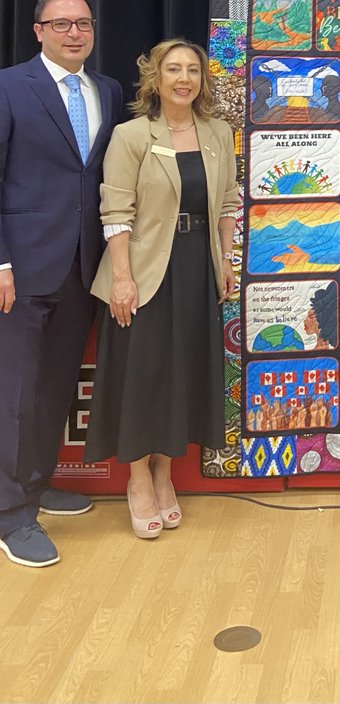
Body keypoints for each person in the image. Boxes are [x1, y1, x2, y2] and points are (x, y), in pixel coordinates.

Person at [84, 40, 239, 539]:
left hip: (197, 269)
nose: (183, 78)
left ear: (202, 80)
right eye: (173, 69)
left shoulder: (217, 133)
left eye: (192, 70)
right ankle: (137, 480)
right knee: (143, 372)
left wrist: (226, 258)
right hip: (146, 270)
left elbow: (228, 202)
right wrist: (123, 278)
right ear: (155, 78)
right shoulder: (131, 135)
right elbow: (115, 212)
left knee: (183, 371)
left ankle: (165, 476)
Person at [0, 0, 123, 567]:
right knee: (15, 393)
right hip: (20, 270)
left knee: (54, 385)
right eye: (63, 23)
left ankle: (37, 484)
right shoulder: (8, 87)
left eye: (84, 23)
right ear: (39, 30)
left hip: (83, 267)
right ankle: (11, 515)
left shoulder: (108, 90)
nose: (75, 32)